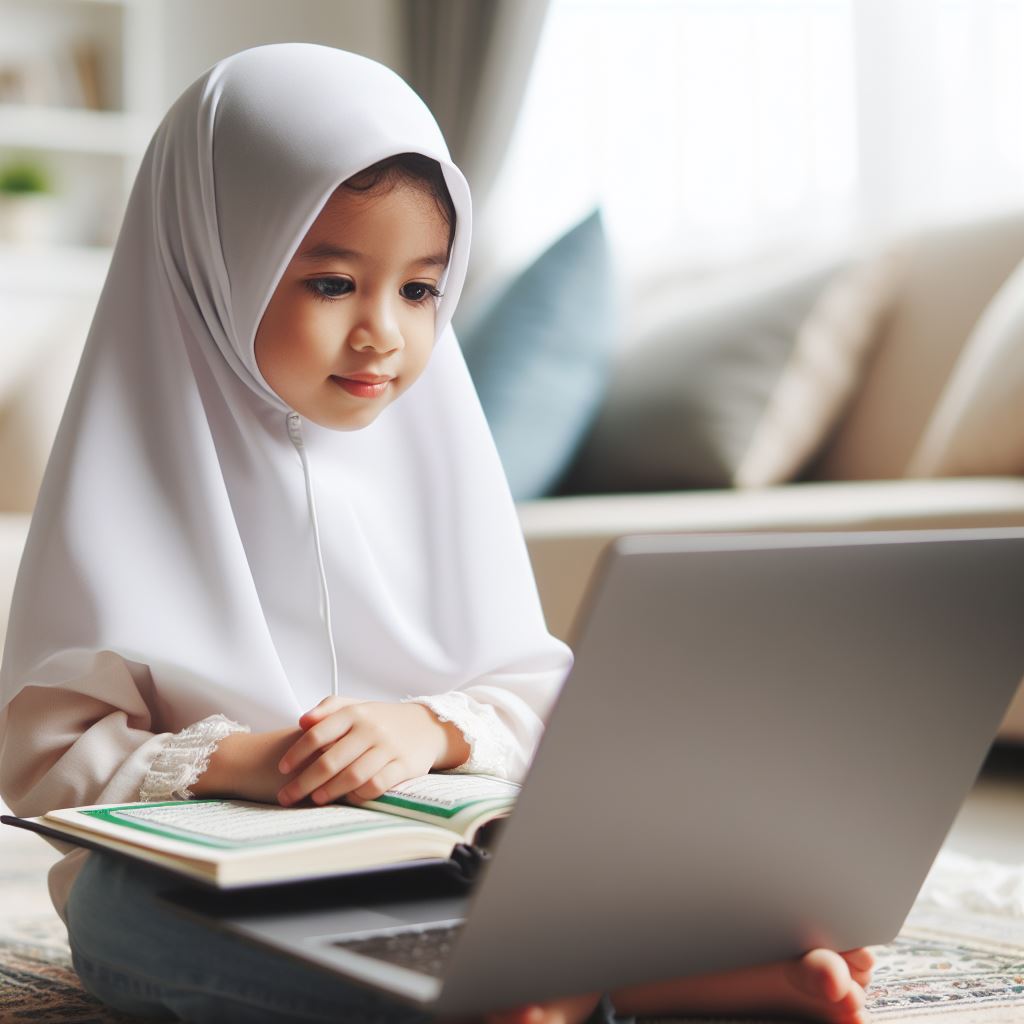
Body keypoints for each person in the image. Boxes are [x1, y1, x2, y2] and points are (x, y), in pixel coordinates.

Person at [0, 43, 875, 1024]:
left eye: (420, 290)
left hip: (443, 859)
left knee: (607, 829)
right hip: (223, 877)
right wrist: (256, 761)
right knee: (125, 912)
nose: (384, 332)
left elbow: (539, 699)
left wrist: (428, 727)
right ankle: (564, 994)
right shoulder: (130, 464)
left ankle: (595, 974)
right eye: (332, 283)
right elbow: (41, 764)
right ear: (214, 260)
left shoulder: (435, 450)